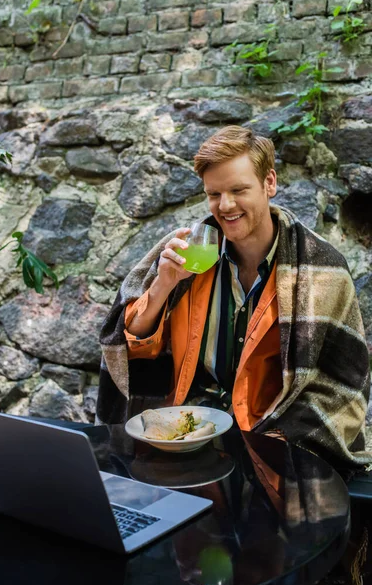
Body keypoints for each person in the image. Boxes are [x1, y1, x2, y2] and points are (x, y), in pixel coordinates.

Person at [98, 125, 371, 474]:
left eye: (238, 190)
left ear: (269, 183)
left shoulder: (320, 268)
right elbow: (128, 348)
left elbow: (340, 385)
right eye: (214, 194)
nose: (225, 206)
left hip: (273, 441)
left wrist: (270, 442)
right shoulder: (189, 253)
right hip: (188, 434)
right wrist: (162, 286)